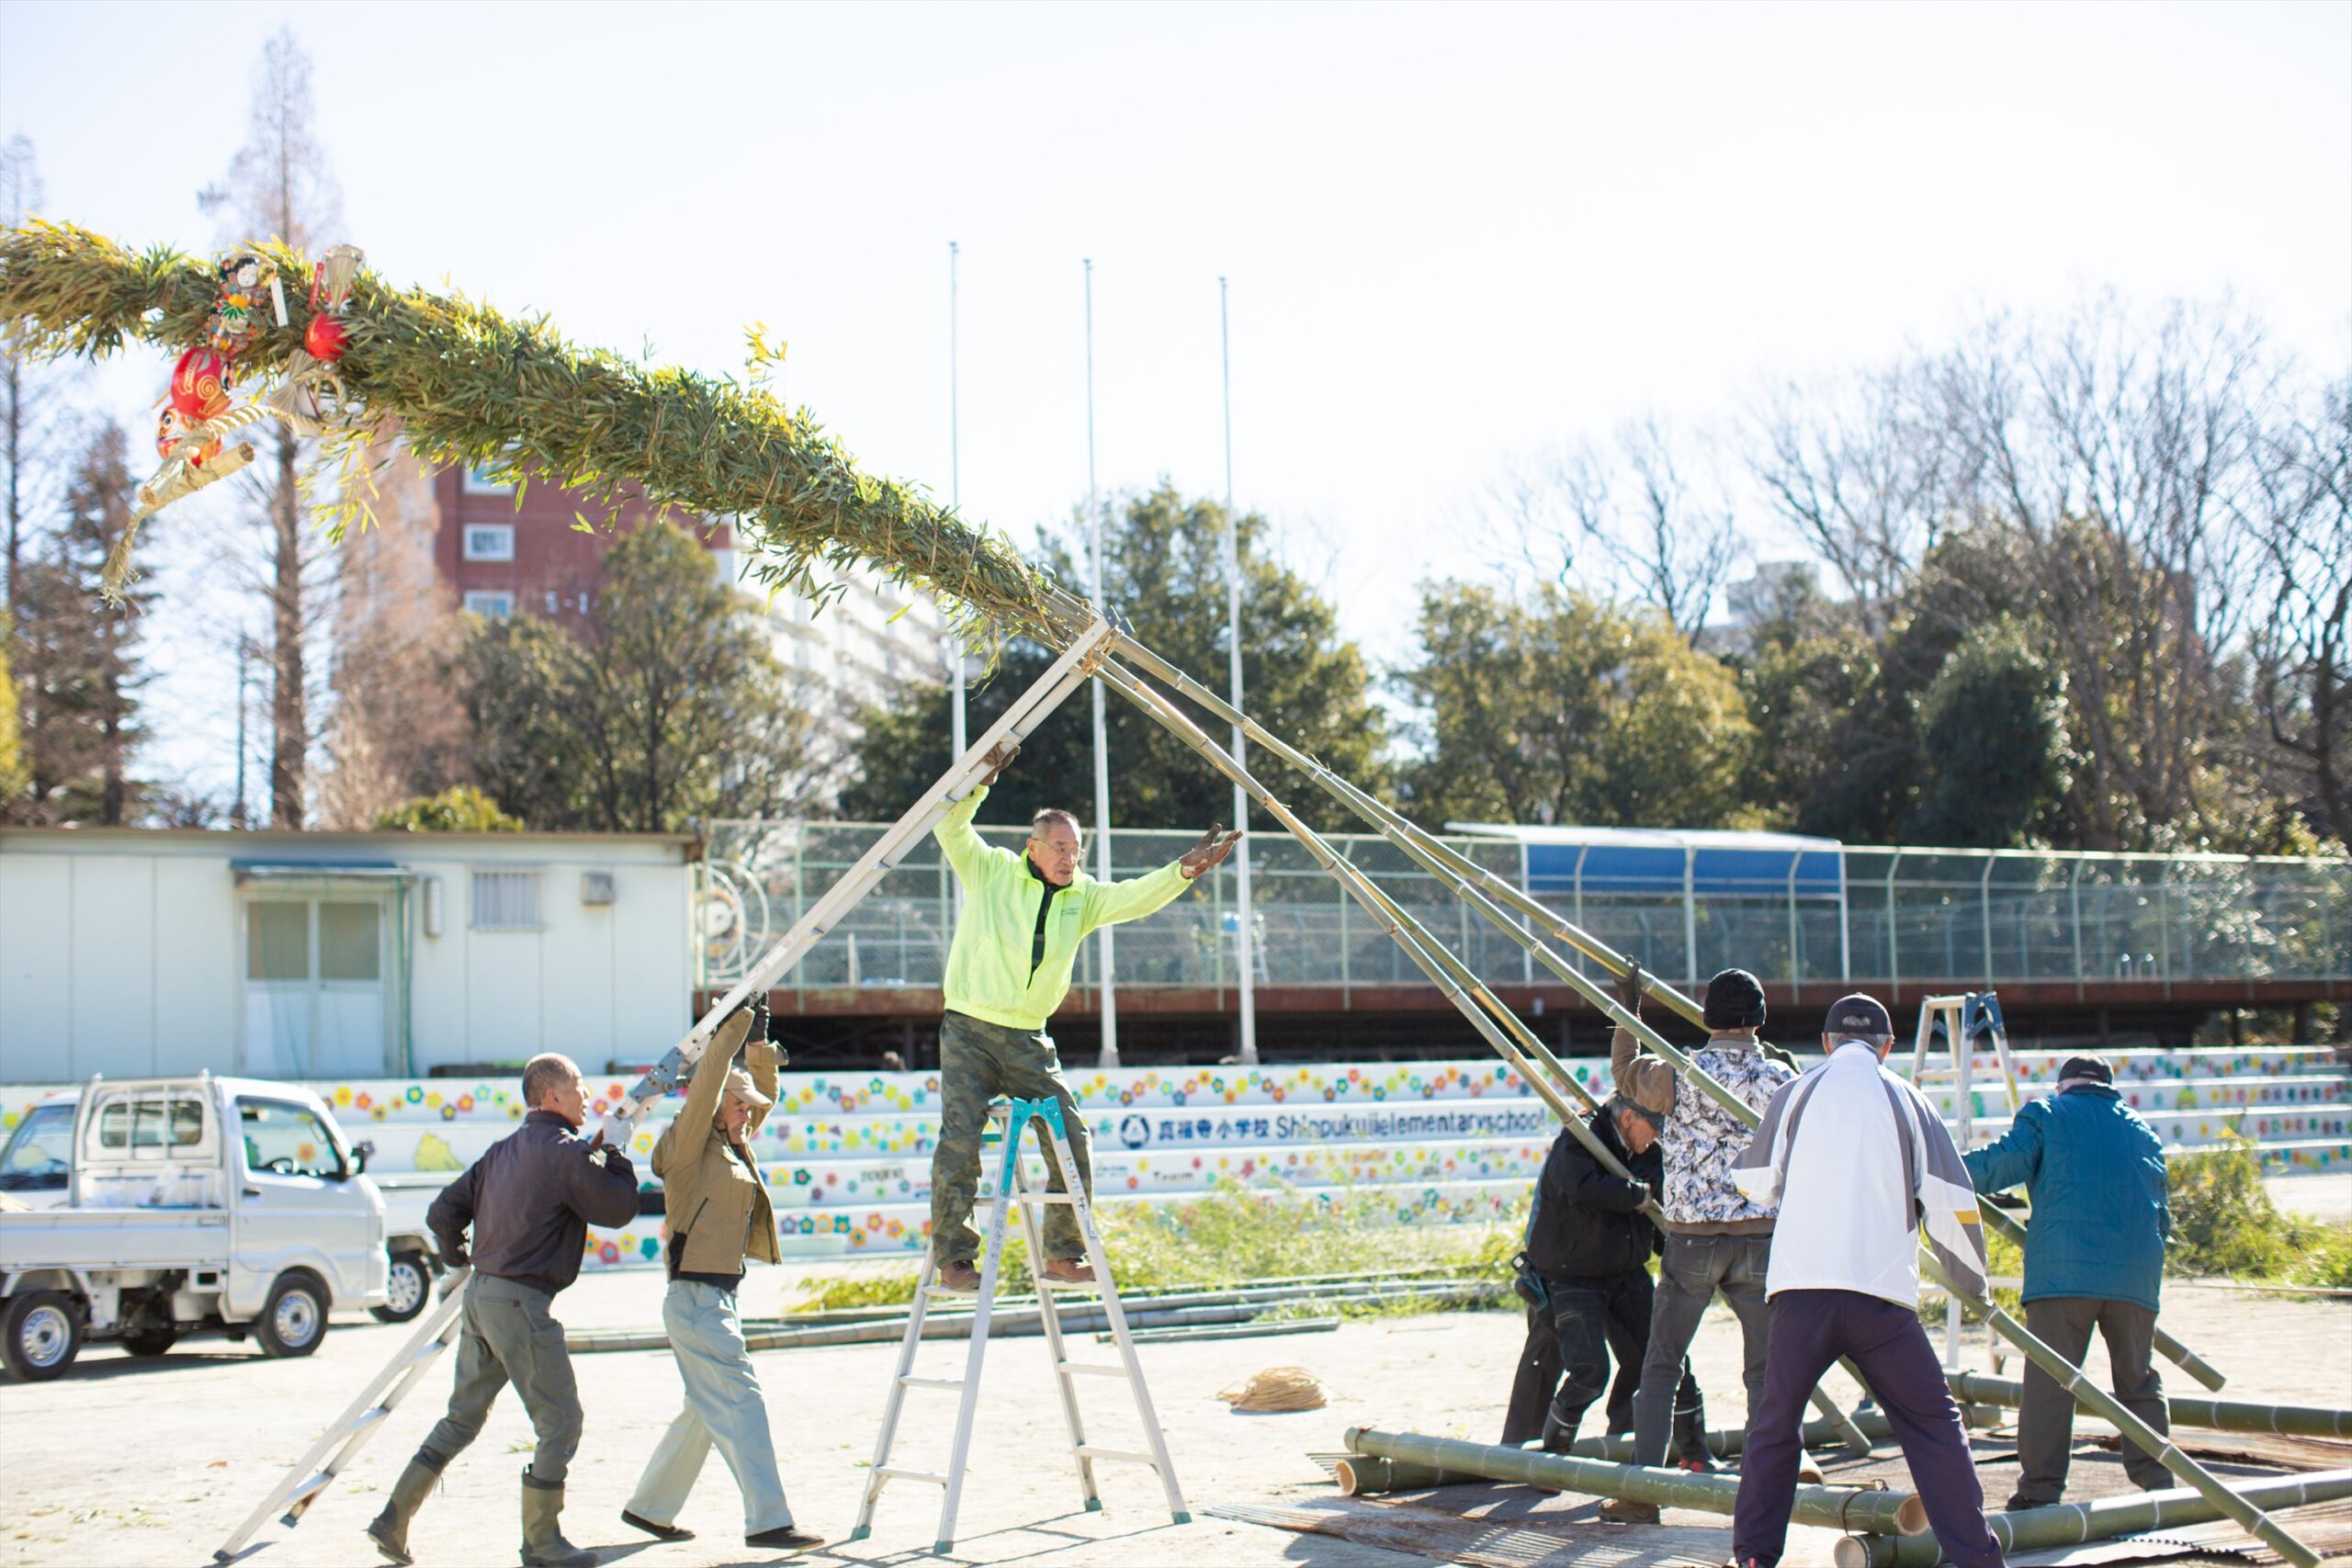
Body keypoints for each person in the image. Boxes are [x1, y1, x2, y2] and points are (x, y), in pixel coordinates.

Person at [928, 742, 1240, 1292]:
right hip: (970, 1028)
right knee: (960, 1139)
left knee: (1071, 1137)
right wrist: (981, 780)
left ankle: (1062, 1255)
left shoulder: (1085, 897)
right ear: (1033, 846)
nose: (1069, 857)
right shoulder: (992, 871)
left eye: (1076, 848)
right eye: (1059, 847)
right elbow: (950, 828)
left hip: (1028, 1036)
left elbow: (1137, 897)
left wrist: (1184, 871)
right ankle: (955, 1259)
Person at [1725, 994, 2006, 1568]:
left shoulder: (1796, 1091)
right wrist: (1974, 1287)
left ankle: (1754, 1557)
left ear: (1826, 1042)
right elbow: (1951, 1205)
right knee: (1933, 1427)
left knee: (1775, 1427)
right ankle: (1976, 1559)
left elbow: (1754, 1182)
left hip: (1800, 1291)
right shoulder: (1908, 1099)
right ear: (1889, 1046)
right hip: (1881, 1298)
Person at [367, 1054, 640, 1568]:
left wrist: (458, 1259)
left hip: (482, 1297)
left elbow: (441, 1212)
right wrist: (620, 1152)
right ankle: (542, 1544)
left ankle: (393, 1519)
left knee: (461, 1419)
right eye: (577, 1085)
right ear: (551, 1096)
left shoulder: (504, 1151)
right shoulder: (563, 1153)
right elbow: (618, 1209)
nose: (586, 1095)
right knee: (560, 1422)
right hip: (521, 1303)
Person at [620, 1008, 824, 1553]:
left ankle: (649, 1509)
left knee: (704, 1409)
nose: (748, 1117)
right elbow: (710, 1080)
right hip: (696, 1299)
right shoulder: (690, 1146)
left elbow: (762, 1096)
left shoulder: (733, 1141)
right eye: (740, 1107)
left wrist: (757, 1044)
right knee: (741, 1401)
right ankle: (769, 1522)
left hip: (715, 1300)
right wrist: (731, 1030)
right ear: (717, 1107)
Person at [1603, 962, 1797, 1520]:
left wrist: (1630, 1011)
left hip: (1692, 1239)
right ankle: (1765, 1495)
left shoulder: (1679, 1074)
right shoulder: (1783, 1079)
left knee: (1662, 1365)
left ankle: (1645, 1494)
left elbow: (1623, 1071)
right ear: (1758, 1021)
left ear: (1708, 1016)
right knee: (1763, 1372)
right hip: (1762, 1237)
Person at [1963, 1055, 2173, 1508]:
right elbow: (2163, 1215)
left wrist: (1939, 1173)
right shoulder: (2144, 1131)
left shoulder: (2047, 1114)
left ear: (2064, 1086)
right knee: (2138, 1381)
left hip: (2063, 1275)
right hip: (2136, 1278)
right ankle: (2159, 1484)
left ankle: (2040, 1494)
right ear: (2108, 1087)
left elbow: (2001, 1164)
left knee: (2051, 1384)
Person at [1499, 1093, 1715, 1469]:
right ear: (1629, 1117)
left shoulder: (1648, 1149)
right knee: (1586, 1369)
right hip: (1569, 1275)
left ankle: (1680, 1450)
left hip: (1625, 1270)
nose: (1657, 1137)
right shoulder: (1579, 1136)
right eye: (1654, 1127)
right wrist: (1635, 1195)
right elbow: (1585, 1187)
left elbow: (1657, 1200)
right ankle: (1545, 1457)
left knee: (1665, 1359)